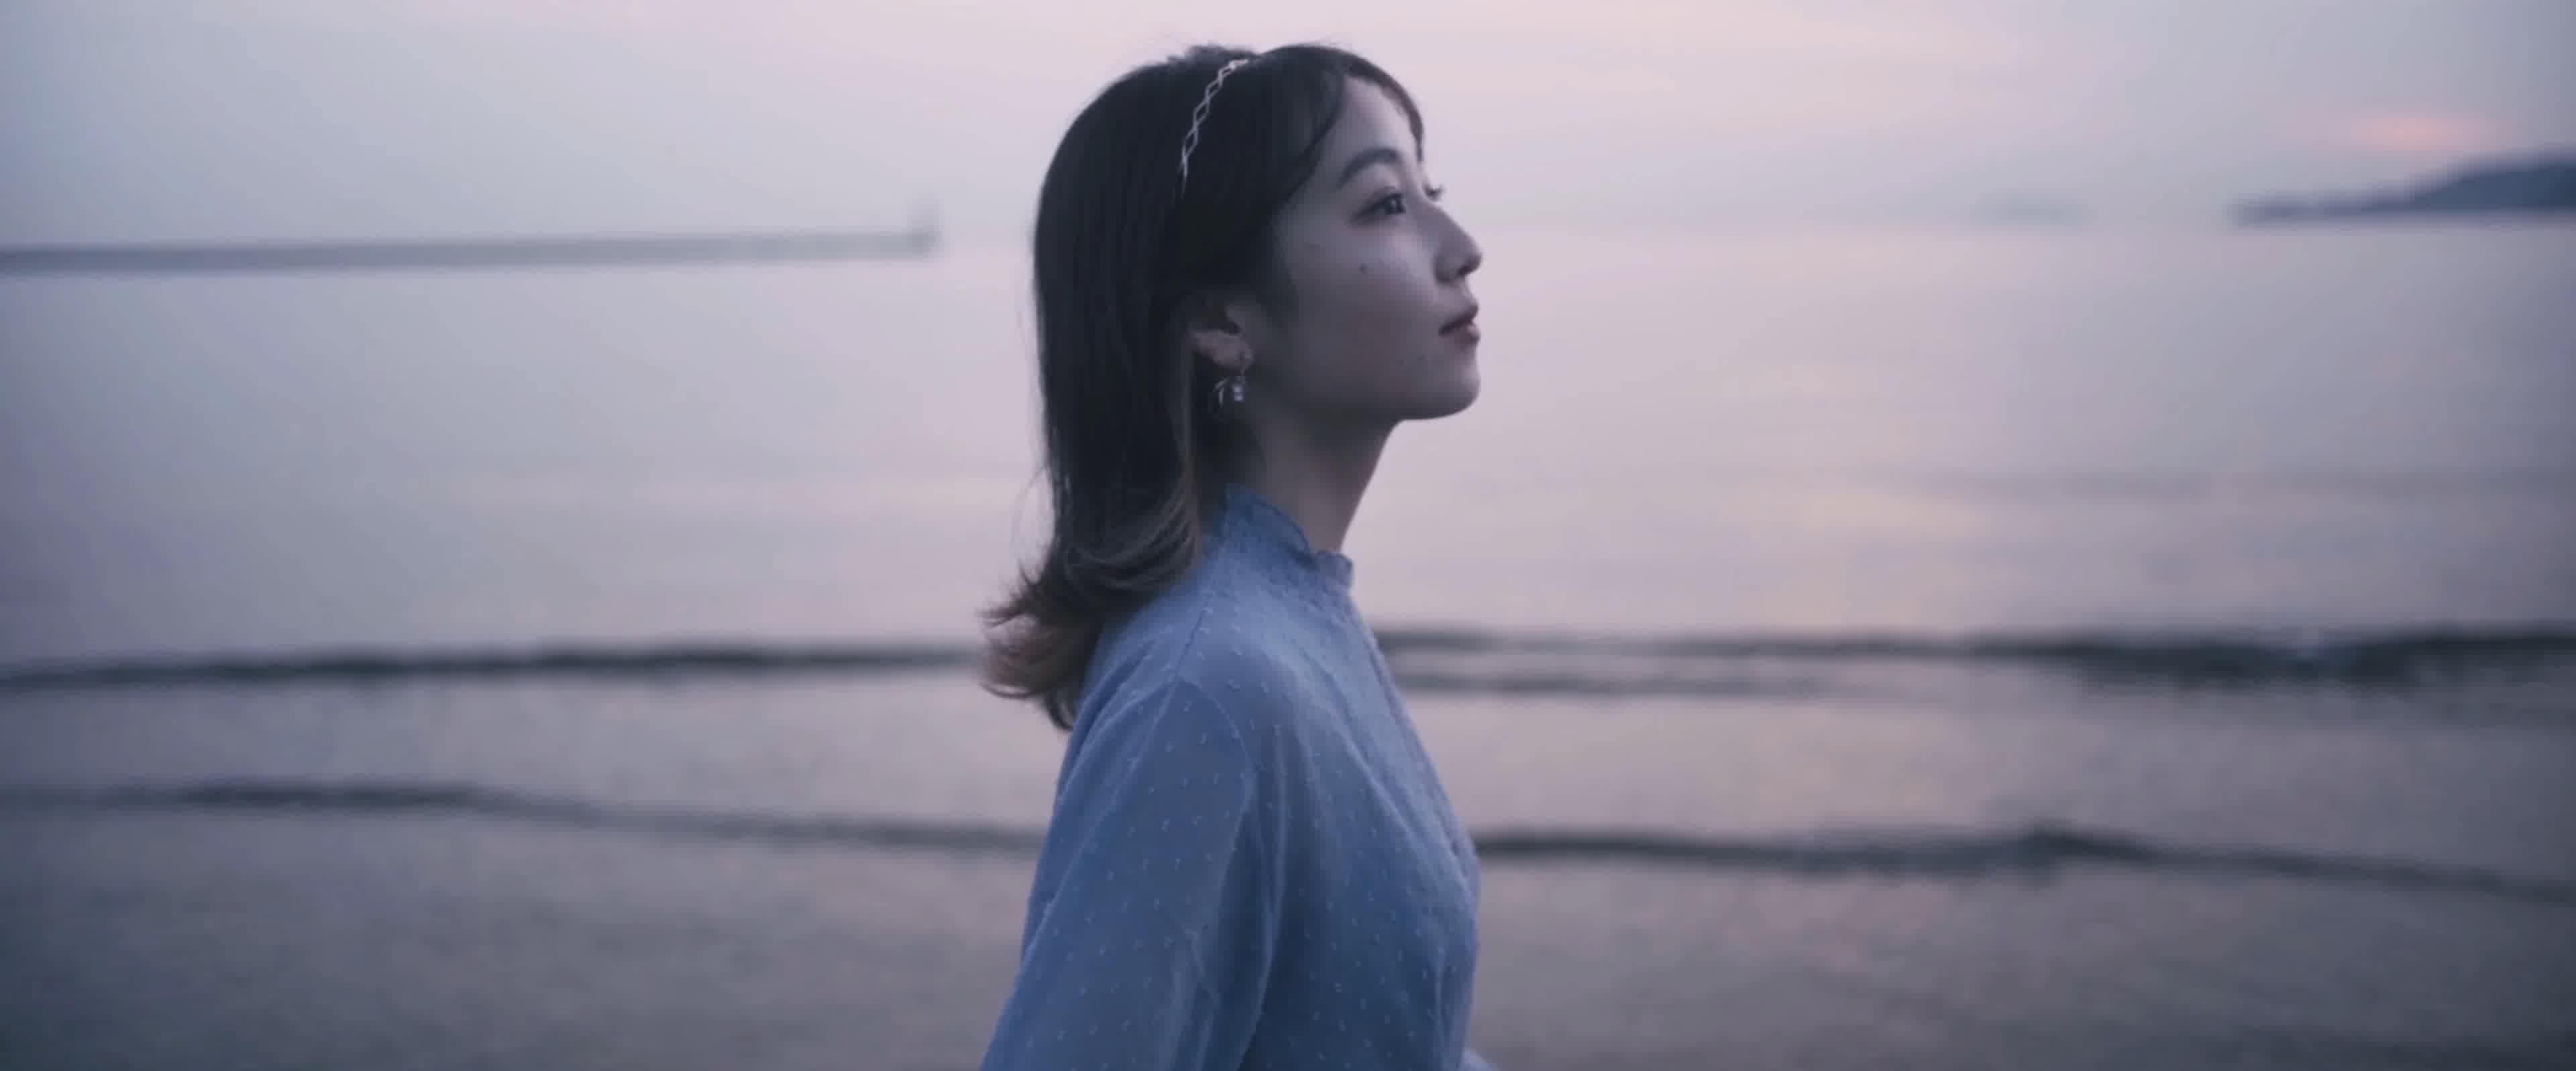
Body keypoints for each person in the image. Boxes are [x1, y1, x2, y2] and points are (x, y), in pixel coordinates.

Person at [975, 40, 1496, 1071]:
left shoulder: (1293, 612)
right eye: (1387, 206)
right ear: (1222, 319)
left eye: (1429, 192)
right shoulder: (1209, 689)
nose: (1462, 245)